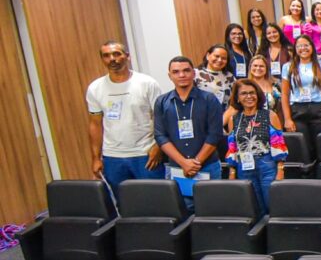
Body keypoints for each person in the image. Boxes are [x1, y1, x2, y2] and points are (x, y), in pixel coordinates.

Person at [87, 41, 164, 200]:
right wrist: (96, 158)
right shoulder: (95, 88)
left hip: (145, 154)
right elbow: (95, 124)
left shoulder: (146, 83)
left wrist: (158, 147)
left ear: (127, 56)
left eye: (117, 54)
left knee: (155, 200)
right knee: (124, 202)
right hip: (112, 157)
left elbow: (161, 117)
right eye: (107, 56)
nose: (112, 59)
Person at [153, 56, 223, 210]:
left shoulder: (209, 99)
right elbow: (160, 135)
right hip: (177, 168)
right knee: (182, 212)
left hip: (207, 166)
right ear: (170, 76)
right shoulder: (161, 102)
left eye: (186, 70)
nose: (182, 75)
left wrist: (195, 163)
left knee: (212, 211)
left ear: (193, 73)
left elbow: (215, 134)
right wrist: (183, 163)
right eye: (176, 72)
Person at [225, 79, 288, 216]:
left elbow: (279, 145)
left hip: (267, 165)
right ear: (237, 98)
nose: (249, 96)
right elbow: (232, 148)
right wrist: (232, 172)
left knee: (272, 206)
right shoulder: (233, 119)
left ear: (258, 95)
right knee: (254, 208)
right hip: (244, 167)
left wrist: (280, 170)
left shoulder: (270, 115)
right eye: (244, 93)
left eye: (252, 93)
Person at [280, 34, 321, 157]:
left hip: (320, 109)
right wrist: (287, 119)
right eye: (299, 46)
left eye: (306, 45)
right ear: (295, 49)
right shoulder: (288, 67)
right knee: (304, 147)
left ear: (312, 46)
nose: (303, 48)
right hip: (298, 110)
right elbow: (285, 94)